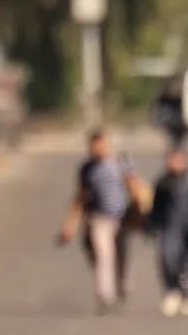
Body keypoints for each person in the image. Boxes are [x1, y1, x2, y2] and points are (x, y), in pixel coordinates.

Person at [58, 130, 143, 314]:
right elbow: (79, 198)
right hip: (99, 218)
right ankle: (105, 295)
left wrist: (143, 211)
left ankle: (124, 285)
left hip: (123, 217)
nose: (98, 149)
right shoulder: (87, 169)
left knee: (123, 256)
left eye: (101, 144)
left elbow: (135, 185)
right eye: (94, 146)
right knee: (103, 255)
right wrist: (70, 225)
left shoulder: (121, 162)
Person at [149, 147, 188, 317]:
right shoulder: (163, 182)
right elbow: (155, 206)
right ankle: (172, 290)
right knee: (168, 260)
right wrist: (152, 225)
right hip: (169, 228)